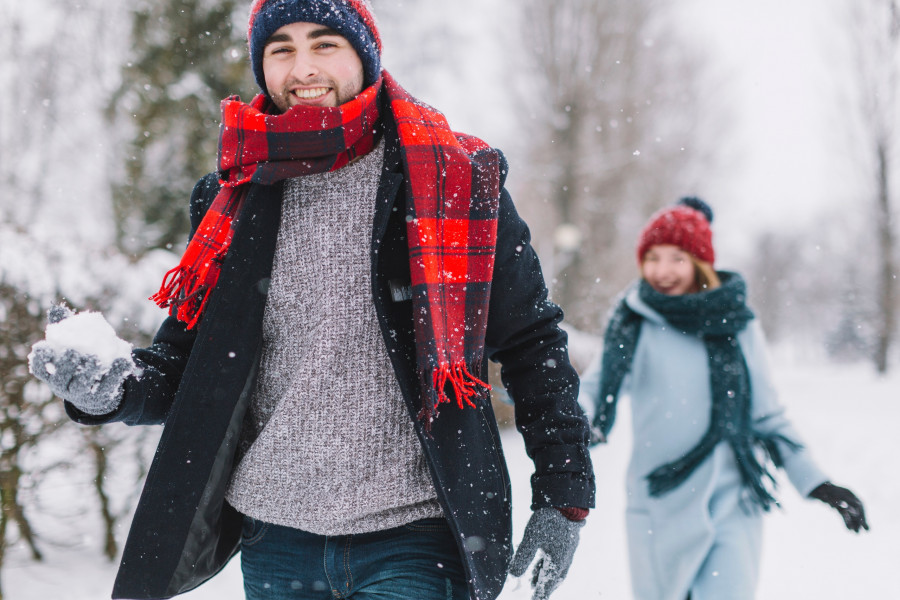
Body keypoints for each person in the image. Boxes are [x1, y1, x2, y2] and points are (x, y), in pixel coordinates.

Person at [27, 1, 595, 599]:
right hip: (277, 541)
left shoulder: (454, 179)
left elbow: (532, 343)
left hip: (419, 534)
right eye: (282, 49)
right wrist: (111, 388)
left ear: (365, 57)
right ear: (261, 67)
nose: (304, 69)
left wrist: (564, 494)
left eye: (325, 45)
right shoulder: (232, 196)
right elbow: (188, 367)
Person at [578, 197, 868, 600]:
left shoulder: (738, 326)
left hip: (733, 504)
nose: (662, 271)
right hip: (659, 508)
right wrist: (571, 421)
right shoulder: (633, 324)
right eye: (653, 257)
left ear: (701, 264)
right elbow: (594, 391)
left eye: (677, 258)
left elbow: (768, 417)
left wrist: (818, 483)